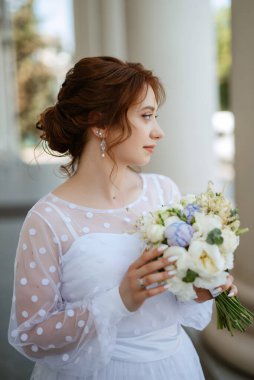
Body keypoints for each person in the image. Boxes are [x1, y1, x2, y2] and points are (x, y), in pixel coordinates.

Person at [8, 56, 237, 380]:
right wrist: (118, 300)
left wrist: (199, 287)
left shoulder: (164, 192)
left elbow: (172, 296)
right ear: (100, 122)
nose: (158, 131)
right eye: (146, 116)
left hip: (175, 366)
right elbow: (31, 336)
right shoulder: (48, 220)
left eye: (155, 116)